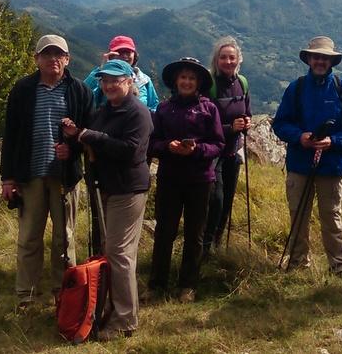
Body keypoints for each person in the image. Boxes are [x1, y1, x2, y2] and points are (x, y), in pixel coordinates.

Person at [0, 35, 93, 309]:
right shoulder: (23, 89)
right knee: (29, 236)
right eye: (47, 54)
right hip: (31, 175)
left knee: (64, 238)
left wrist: (72, 148)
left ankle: (64, 292)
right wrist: (8, 177)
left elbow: (90, 134)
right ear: (36, 58)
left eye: (59, 54)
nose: (53, 59)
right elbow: (12, 134)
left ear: (67, 59)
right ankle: (25, 294)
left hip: (65, 175)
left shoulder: (79, 91)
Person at [62, 59, 152, 340]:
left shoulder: (137, 113)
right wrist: (76, 135)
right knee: (113, 251)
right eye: (105, 80)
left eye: (116, 80)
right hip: (107, 188)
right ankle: (110, 307)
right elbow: (93, 140)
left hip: (128, 190)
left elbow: (131, 151)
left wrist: (92, 136)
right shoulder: (106, 110)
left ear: (129, 82)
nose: (110, 85)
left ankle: (125, 319)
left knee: (120, 253)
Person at [272, 36, 342, 275]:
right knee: (298, 217)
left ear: (331, 61)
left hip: (331, 165)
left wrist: (333, 141)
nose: (320, 61)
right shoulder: (297, 88)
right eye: (316, 57)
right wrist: (300, 137)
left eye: (325, 57)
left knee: (331, 217)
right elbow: (280, 123)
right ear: (309, 59)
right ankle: (298, 262)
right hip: (300, 164)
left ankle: (339, 266)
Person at [147, 57, 224, 303]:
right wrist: (167, 146)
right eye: (183, 77)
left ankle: (187, 285)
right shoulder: (164, 108)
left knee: (195, 234)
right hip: (169, 177)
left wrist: (197, 150)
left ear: (199, 82)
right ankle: (157, 284)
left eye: (192, 78)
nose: (187, 82)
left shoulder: (209, 109)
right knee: (164, 232)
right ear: (175, 81)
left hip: (200, 180)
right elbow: (152, 142)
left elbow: (218, 144)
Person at [202, 36, 253, 256]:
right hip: (215, 153)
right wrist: (231, 127)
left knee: (228, 199)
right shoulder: (209, 85)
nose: (228, 61)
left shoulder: (242, 82)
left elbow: (247, 111)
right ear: (216, 60)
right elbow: (202, 124)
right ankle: (205, 246)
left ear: (238, 60)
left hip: (233, 151)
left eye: (232, 57)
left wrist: (247, 122)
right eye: (223, 57)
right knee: (217, 199)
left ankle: (216, 244)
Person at [83, 35, 159, 112]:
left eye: (128, 52)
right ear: (111, 55)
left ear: (134, 55)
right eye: (120, 52)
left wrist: (142, 115)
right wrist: (102, 68)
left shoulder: (144, 80)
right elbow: (82, 94)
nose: (125, 56)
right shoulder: (102, 78)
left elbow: (154, 106)